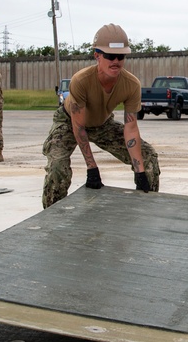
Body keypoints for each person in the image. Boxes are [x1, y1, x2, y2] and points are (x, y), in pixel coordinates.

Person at [41, 24, 160, 208]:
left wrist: (140, 171)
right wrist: (92, 167)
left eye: (120, 56)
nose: (115, 61)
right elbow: (78, 127)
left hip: (102, 124)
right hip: (69, 122)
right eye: (110, 56)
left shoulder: (131, 84)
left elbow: (131, 127)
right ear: (97, 55)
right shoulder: (81, 81)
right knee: (58, 167)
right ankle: (52, 217)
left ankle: (144, 209)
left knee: (147, 156)